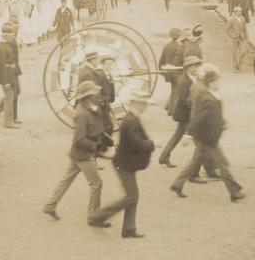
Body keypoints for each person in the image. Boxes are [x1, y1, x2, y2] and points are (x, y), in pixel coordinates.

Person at [169, 64, 245, 202]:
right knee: (222, 164)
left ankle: (177, 184)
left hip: (208, 135)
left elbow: (212, 116)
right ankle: (234, 191)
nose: (220, 83)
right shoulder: (207, 98)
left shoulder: (211, 95)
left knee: (195, 161)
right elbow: (198, 118)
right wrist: (189, 134)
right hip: (207, 137)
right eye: (217, 81)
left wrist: (221, 122)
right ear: (211, 82)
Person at [88, 89, 157, 238]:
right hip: (125, 165)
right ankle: (98, 217)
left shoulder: (132, 118)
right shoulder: (131, 121)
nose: (145, 106)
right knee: (131, 197)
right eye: (144, 104)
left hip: (125, 163)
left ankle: (128, 228)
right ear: (136, 103)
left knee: (133, 196)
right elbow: (136, 143)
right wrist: (152, 144)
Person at [43, 81, 106, 222]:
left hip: (78, 153)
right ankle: (93, 215)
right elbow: (79, 139)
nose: (98, 95)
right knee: (96, 184)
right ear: (88, 96)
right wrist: (95, 147)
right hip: (84, 155)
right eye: (95, 93)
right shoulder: (82, 113)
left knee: (66, 180)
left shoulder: (90, 107)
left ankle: (50, 205)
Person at [158, 55, 202, 168]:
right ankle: (206, 165)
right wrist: (195, 107)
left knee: (179, 135)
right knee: (197, 138)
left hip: (188, 112)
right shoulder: (183, 81)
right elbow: (183, 100)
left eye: (196, 66)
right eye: (192, 66)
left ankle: (164, 156)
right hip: (184, 113)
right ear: (187, 67)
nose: (195, 68)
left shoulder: (193, 77)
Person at [0, 26, 22, 129]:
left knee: (12, 96)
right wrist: (5, 81)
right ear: (5, 35)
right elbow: (1, 67)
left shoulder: (7, 45)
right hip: (6, 75)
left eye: (13, 36)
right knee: (9, 99)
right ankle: (8, 122)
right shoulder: (0, 48)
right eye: (10, 36)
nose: (12, 38)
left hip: (11, 74)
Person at [159, 29, 185, 115]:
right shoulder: (179, 47)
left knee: (173, 88)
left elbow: (161, 59)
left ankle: (168, 106)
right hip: (175, 71)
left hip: (167, 71)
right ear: (179, 36)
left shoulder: (167, 46)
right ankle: (171, 110)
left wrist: (161, 71)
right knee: (175, 89)